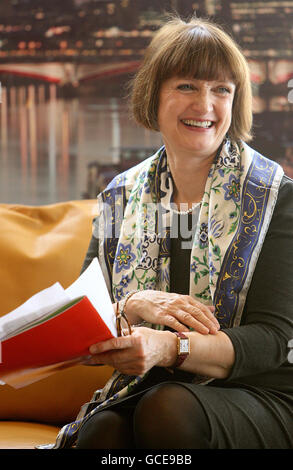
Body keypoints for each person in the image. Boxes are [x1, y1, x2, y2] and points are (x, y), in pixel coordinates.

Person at [53, 16, 293, 449]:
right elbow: (84, 325)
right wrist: (132, 304)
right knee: (103, 431)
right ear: (154, 95)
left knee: (166, 408)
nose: (205, 105)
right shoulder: (119, 198)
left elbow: (273, 341)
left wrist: (170, 349)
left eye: (221, 89)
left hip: (266, 390)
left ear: (235, 102)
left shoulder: (278, 198)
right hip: (154, 388)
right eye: (187, 86)